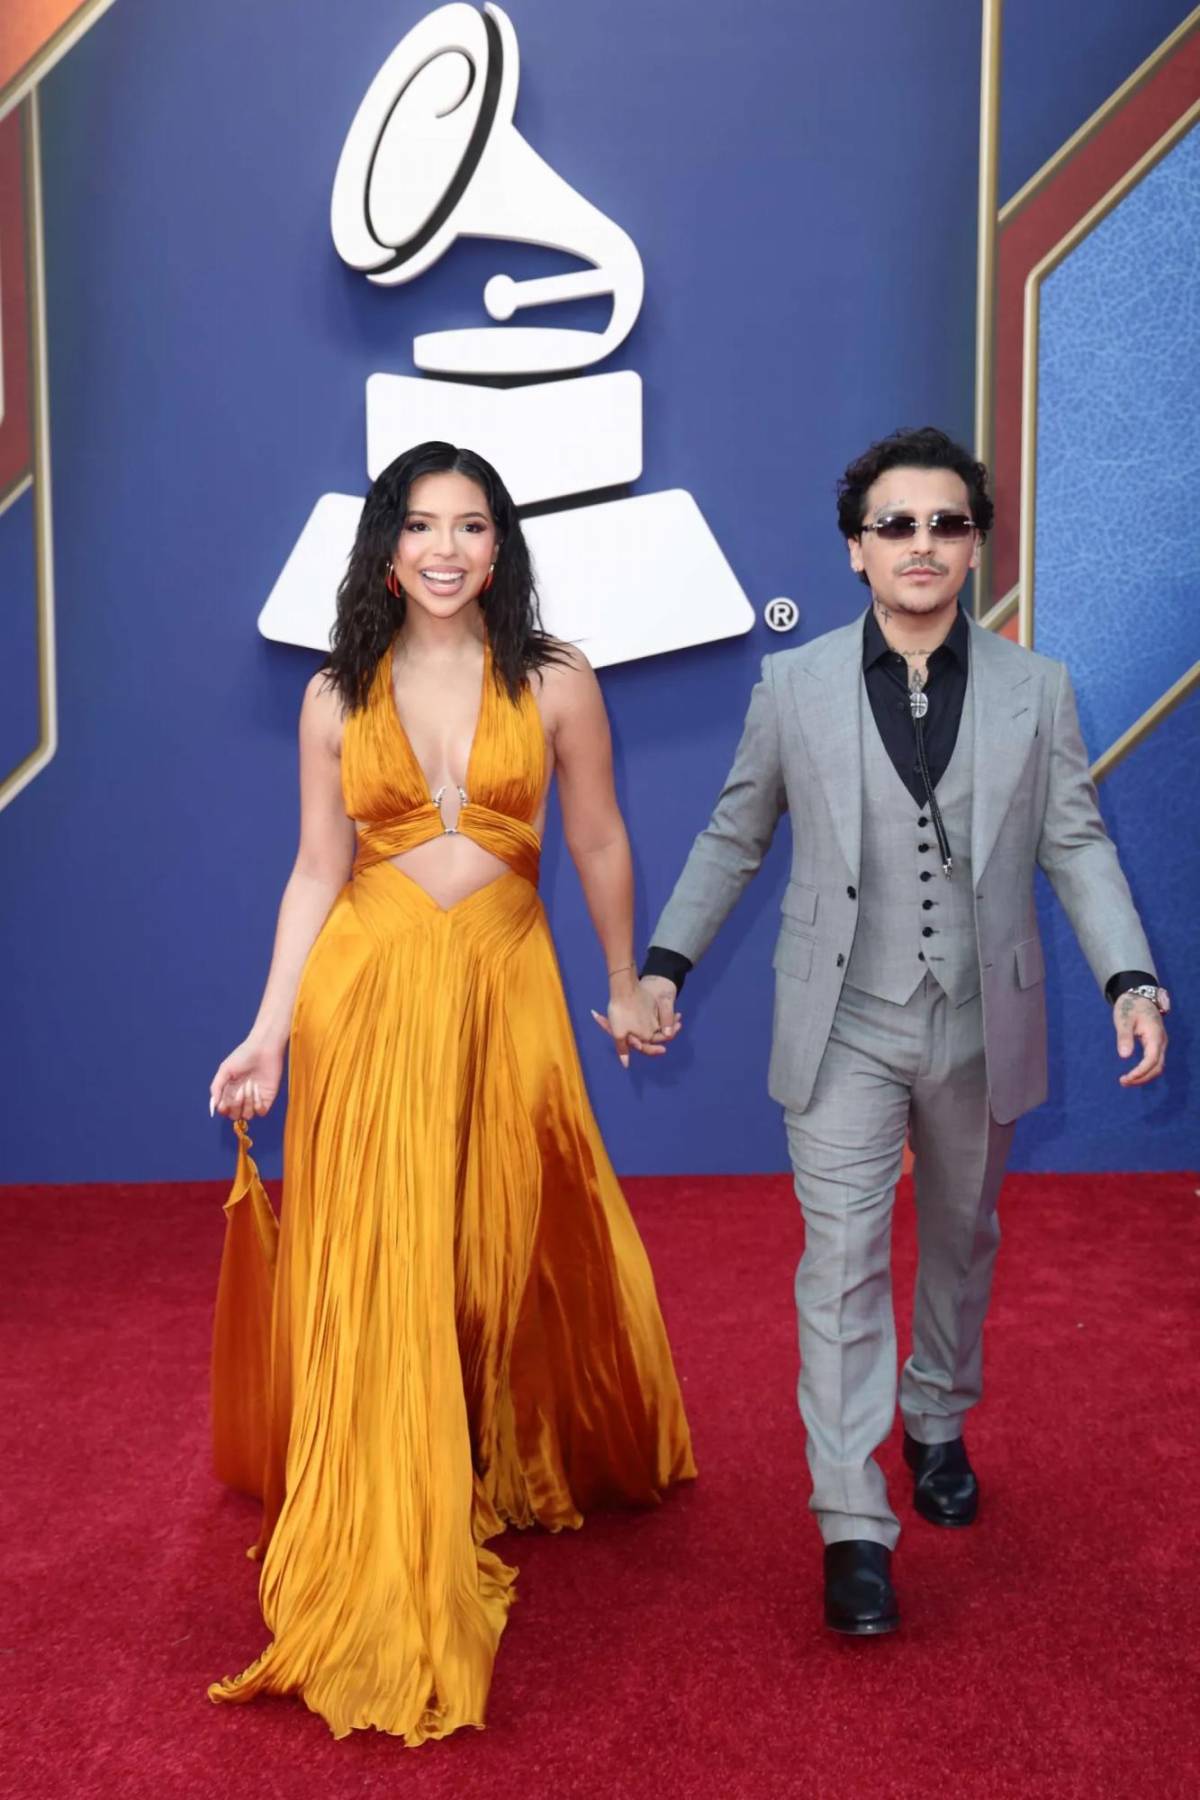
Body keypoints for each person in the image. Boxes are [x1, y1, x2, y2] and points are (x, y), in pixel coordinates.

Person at [634, 426, 1167, 1635]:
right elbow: (734, 834)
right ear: (856, 553)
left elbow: (1075, 843)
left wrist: (1130, 979)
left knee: (963, 1240)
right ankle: (851, 1522)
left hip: (984, 1017)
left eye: (945, 524)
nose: (921, 544)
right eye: (896, 526)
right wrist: (668, 962)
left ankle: (936, 1416)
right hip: (842, 1022)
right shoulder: (794, 687)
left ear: (975, 547)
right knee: (840, 1261)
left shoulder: (1040, 690)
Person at [207, 441, 694, 1739]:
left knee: (500, 1243)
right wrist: (266, 1034)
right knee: (387, 1253)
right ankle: (388, 1473)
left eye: (471, 526)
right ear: (383, 547)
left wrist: (629, 981)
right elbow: (317, 873)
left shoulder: (558, 682)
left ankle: (498, 1446)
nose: (444, 548)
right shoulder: (331, 696)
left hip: (506, 984)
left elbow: (594, 834)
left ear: (501, 548)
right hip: (364, 995)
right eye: (420, 525)